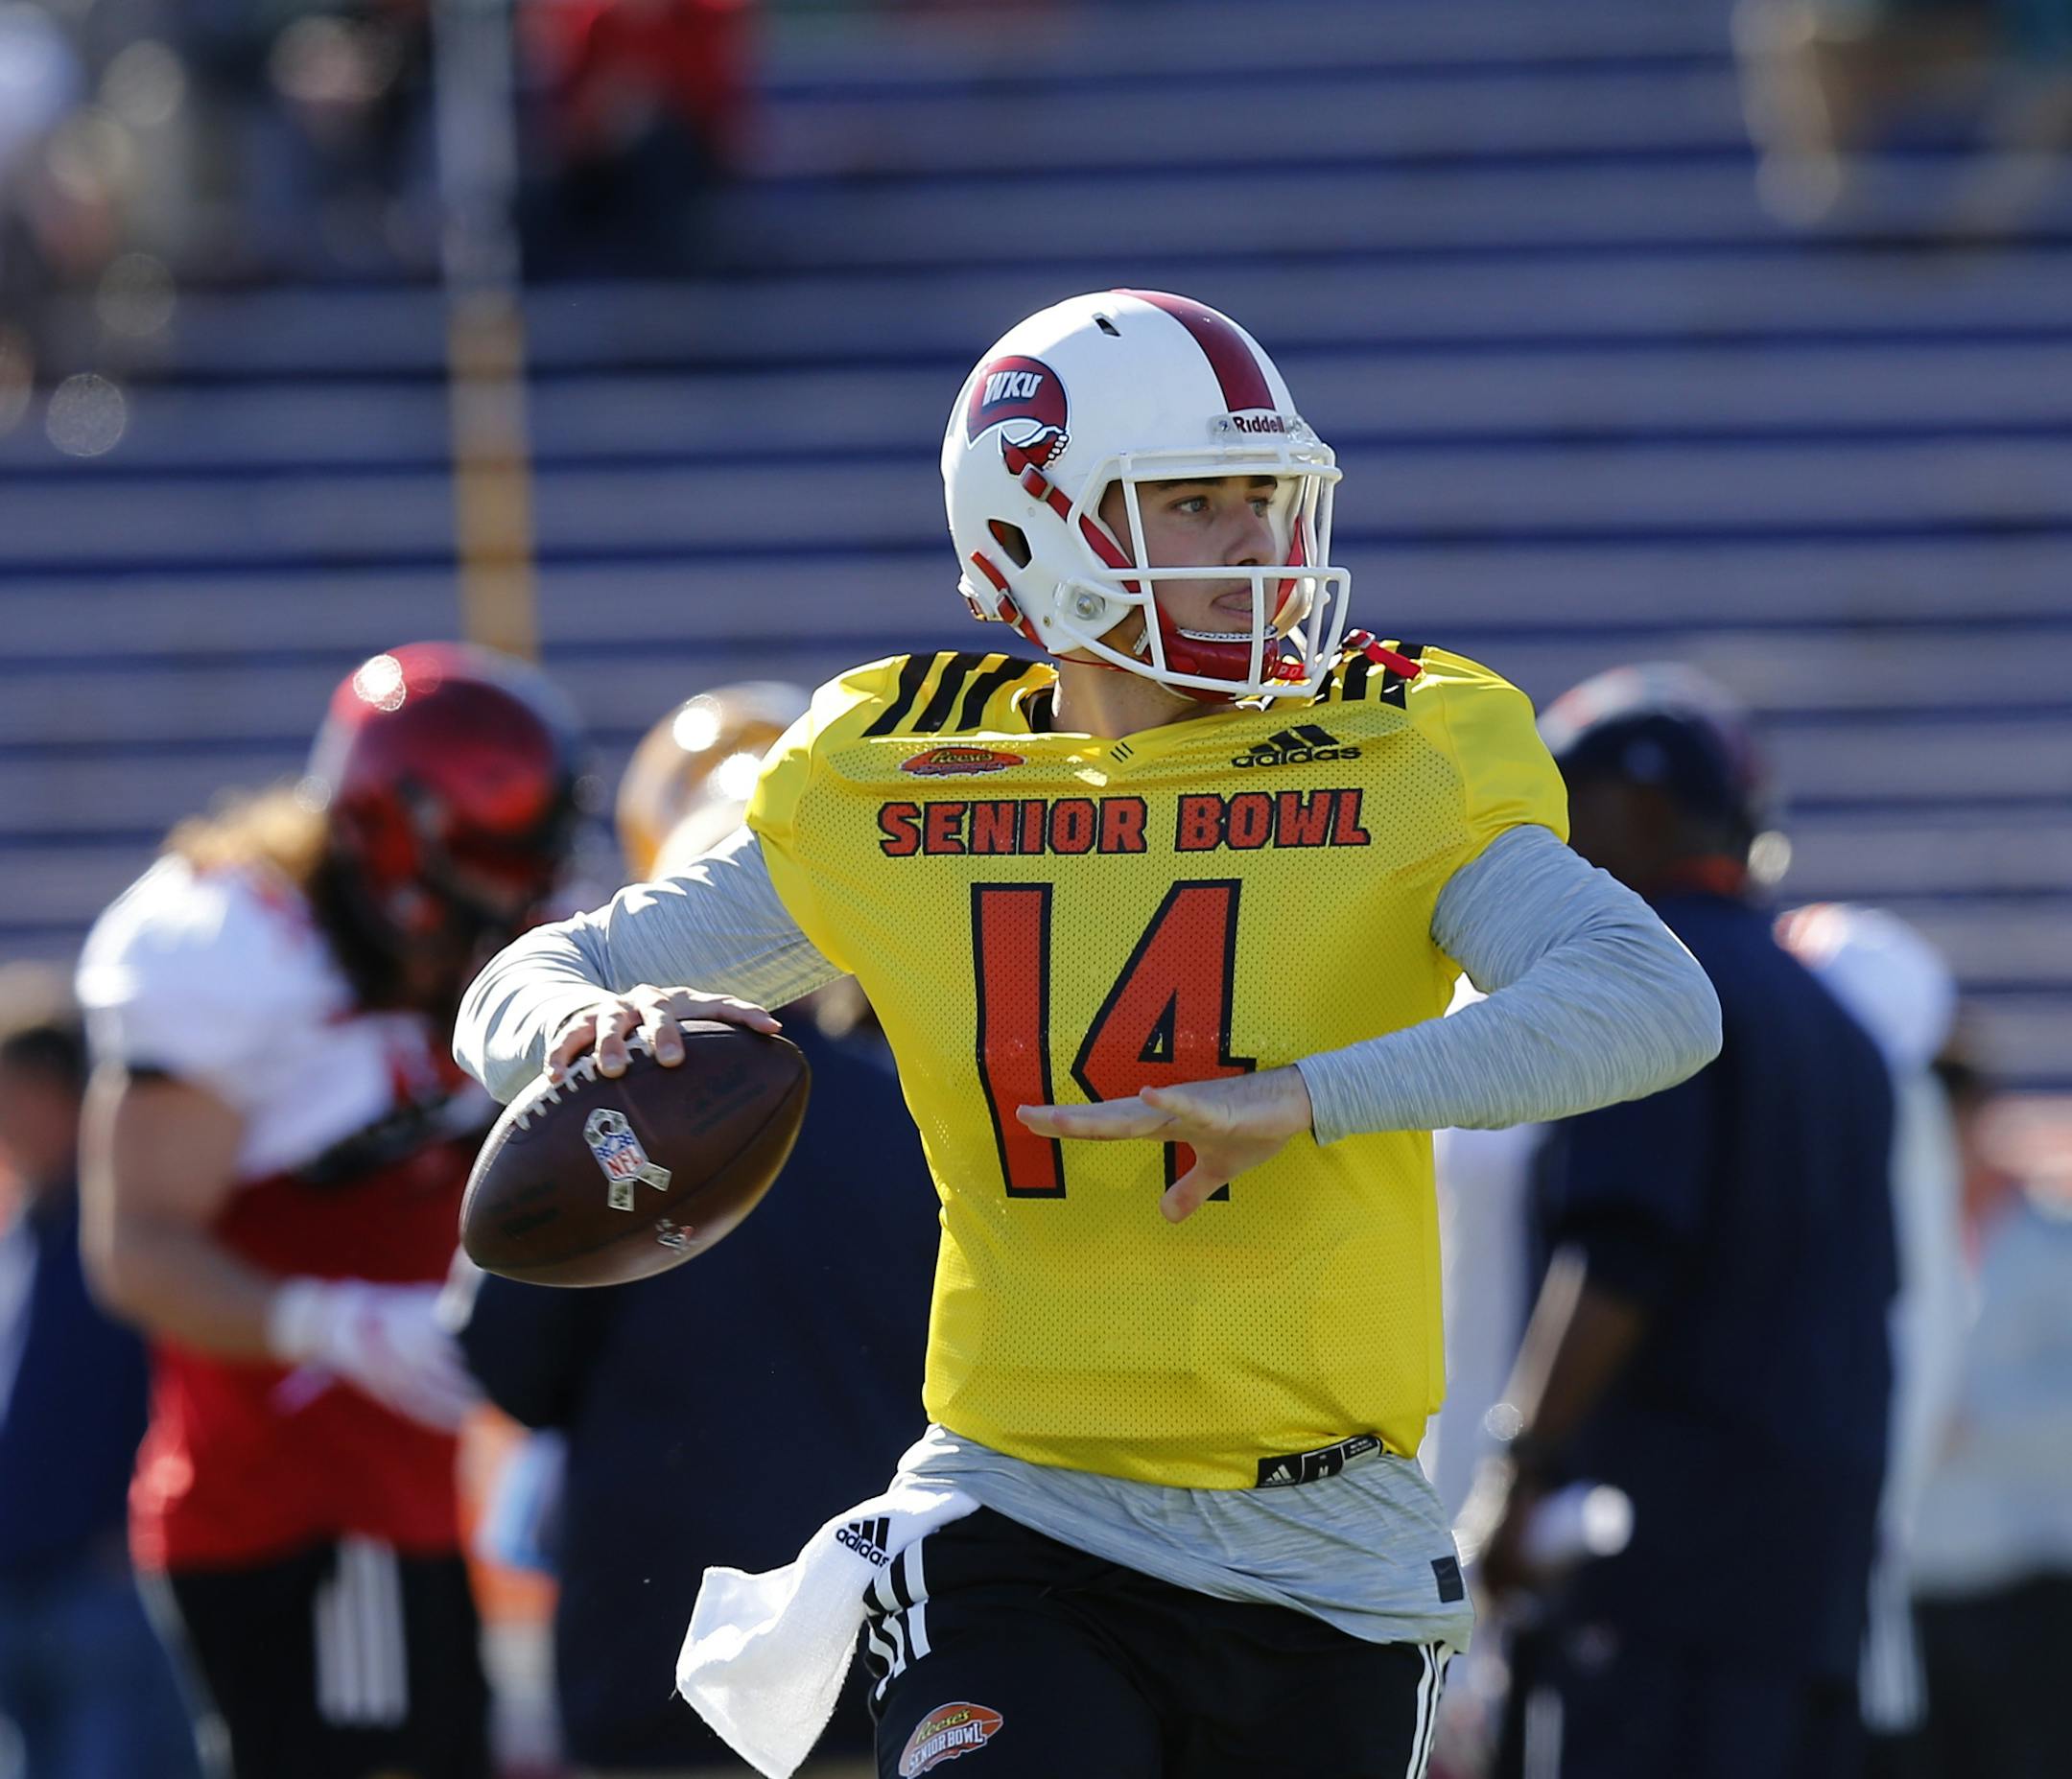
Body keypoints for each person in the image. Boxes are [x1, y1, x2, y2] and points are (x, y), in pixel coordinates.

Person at [453, 290, 1722, 1779]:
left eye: (1269, 495)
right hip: (1023, 1508)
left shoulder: (1400, 745)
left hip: (1327, 1538)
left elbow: (1652, 998)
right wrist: (586, 1021)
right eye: (1197, 501)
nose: (1261, 544)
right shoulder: (902, 774)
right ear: (1035, 530)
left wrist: (1304, 1096)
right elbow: (537, 975)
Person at [74, 642, 584, 1779]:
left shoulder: (450, 947)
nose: (515, 897)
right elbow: (135, 1248)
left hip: (409, 1494)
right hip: (301, 1506)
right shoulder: (232, 950)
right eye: (488, 858)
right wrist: (334, 1325)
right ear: (390, 830)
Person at [458, 684, 936, 1778]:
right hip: (889, 1646)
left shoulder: (599, 1110)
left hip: (661, 1655)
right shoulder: (937, 1108)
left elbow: (507, 1365)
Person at [1478, 665, 1898, 1779]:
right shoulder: (1832, 1016)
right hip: (1808, 1578)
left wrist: (1517, 1467)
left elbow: (1622, 1254)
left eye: (1573, 802)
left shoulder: (1654, 981)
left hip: (1660, 1570)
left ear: (1645, 809)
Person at [0, 968, 201, 1779]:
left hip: (99, 1578)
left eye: (11, 1095)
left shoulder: (123, 1223)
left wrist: (130, 1527)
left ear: (57, 1094)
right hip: (23, 1576)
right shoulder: (27, 1224)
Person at [1908, 1048, 2072, 1779]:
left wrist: (1972, 1419)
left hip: (2030, 1582)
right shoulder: (1895, 1243)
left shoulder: (2053, 1241)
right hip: (1917, 1584)